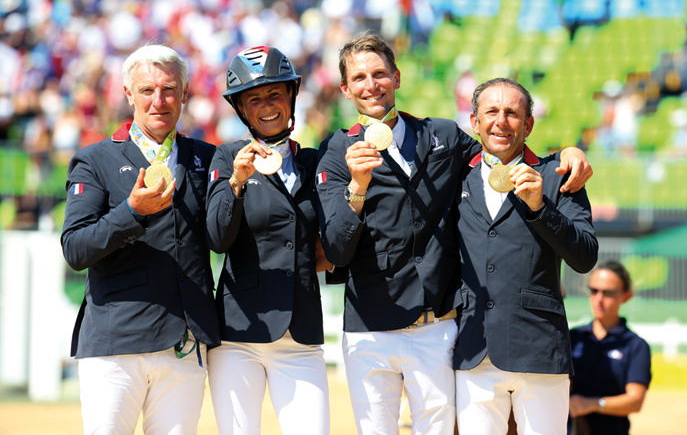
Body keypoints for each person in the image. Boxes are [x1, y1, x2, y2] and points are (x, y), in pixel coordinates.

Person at [315, 31, 593, 435]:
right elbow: (338, 250)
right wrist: (357, 186)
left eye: (379, 74)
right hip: (370, 325)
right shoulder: (334, 153)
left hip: (437, 327)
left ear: (397, 76)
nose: (371, 85)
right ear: (344, 88)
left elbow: (499, 151)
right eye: (359, 78)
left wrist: (567, 155)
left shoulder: (443, 136)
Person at [61, 44, 220, 435]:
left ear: (184, 94)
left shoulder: (209, 157)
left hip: (185, 344)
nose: (159, 100)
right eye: (147, 90)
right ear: (128, 94)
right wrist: (131, 212)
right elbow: (76, 248)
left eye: (169, 90)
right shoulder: (94, 160)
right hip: (116, 344)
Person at [453, 77, 599, 435]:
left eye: (512, 113)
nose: (501, 121)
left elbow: (585, 257)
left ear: (528, 124)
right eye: (491, 112)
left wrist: (540, 207)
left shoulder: (559, 175)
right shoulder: (455, 175)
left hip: (539, 350)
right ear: (475, 122)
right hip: (473, 349)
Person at [205, 46, 331, 435]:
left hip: (300, 332)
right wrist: (237, 183)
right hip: (237, 334)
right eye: (254, 99)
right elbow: (217, 239)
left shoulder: (315, 161)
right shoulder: (226, 159)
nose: (267, 105)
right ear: (242, 109)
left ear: (291, 95)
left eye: (275, 94)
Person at [569, 261, 651, 435]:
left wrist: (591, 404)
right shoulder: (572, 338)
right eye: (593, 291)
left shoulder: (635, 345)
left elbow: (635, 401)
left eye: (608, 293)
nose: (599, 299)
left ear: (626, 296)